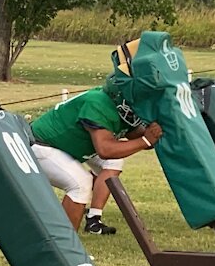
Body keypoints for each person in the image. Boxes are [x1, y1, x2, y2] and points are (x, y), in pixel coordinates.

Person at [26, 79, 162, 232]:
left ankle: (93, 219)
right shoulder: (98, 104)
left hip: (67, 144)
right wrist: (145, 140)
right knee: (80, 184)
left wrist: (155, 134)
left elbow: (135, 136)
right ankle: (64, 246)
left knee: (114, 163)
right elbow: (105, 149)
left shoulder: (116, 105)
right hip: (41, 145)